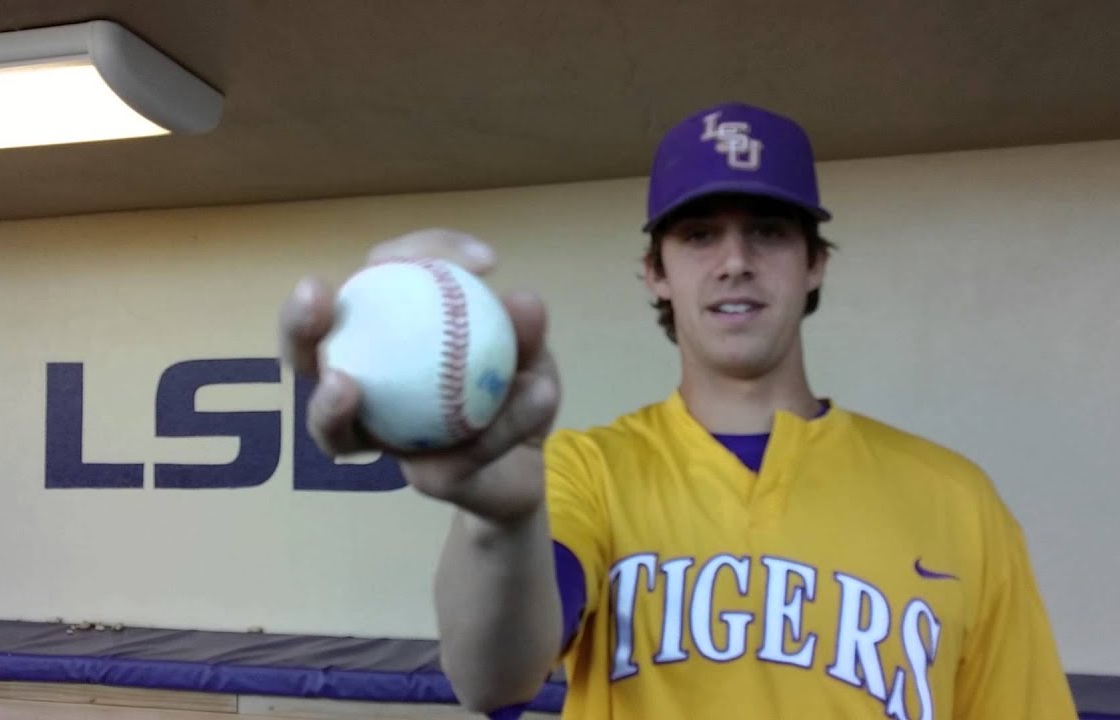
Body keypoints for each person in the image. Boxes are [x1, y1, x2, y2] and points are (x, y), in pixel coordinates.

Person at [279, 102, 1078, 719]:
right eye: (700, 235)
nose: (734, 261)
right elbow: (491, 679)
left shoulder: (957, 499)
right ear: (655, 272)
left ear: (814, 267)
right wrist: (499, 523)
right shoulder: (586, 473)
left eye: (767, 230)